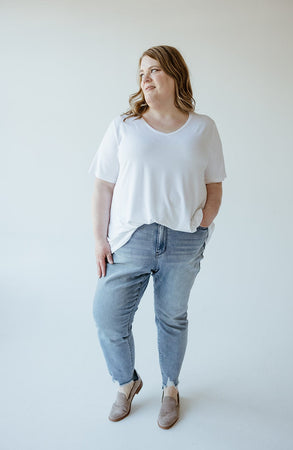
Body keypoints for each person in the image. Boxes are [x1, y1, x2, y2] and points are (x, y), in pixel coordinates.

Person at [88, 45, 227, 429]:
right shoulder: (124, 126)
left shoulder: (203, 127)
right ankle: (127, 382)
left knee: (172, 318)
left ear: (175, 75)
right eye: (141, 74)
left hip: (183, 240)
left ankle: (170, 388)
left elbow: (214, 186)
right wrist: (100, 240)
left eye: (154, 71)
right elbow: (103, 186)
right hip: (130, 238)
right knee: (108, 318)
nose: (145, 79)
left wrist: (201, 224)